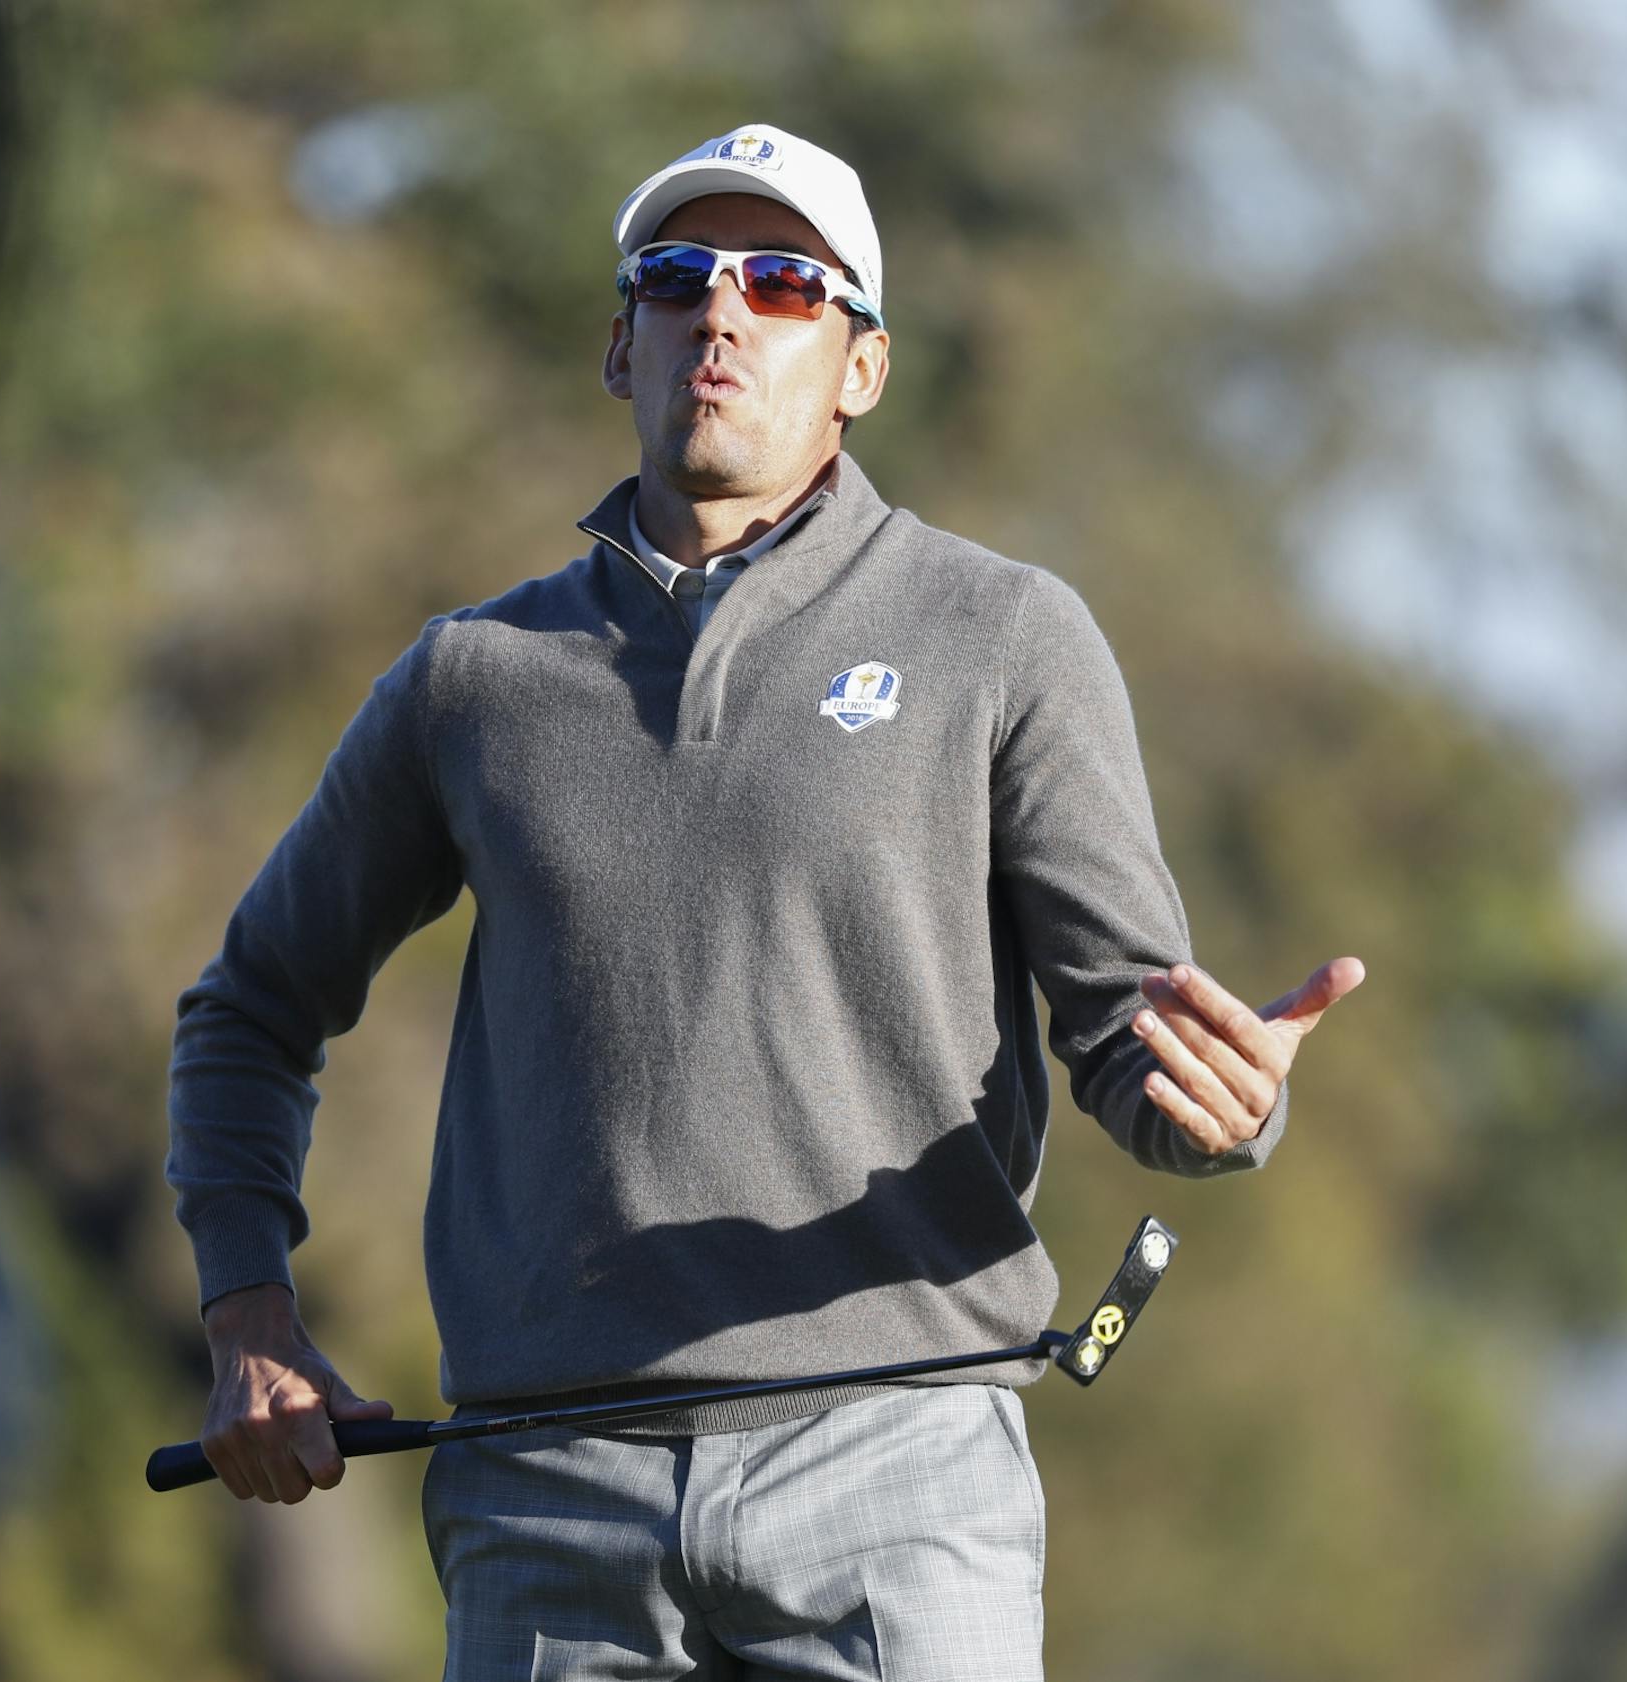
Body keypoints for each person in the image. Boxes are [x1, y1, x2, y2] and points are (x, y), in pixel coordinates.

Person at [166, 123, 1364, 1679]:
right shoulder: (475, 679)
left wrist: (1221, 1104)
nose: (721, 313)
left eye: (786, 283)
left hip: (897, 1474)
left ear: (861, 366)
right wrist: (247, 1315)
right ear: (622, 345)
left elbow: (1137, 1041)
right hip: (550, 1507)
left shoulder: (1002, 633)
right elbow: (250, 1009)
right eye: (677, 278)